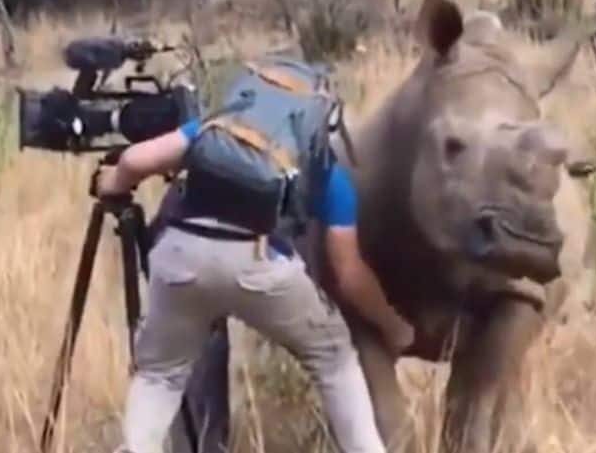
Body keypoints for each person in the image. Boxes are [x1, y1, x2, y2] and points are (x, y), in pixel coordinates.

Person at [95, 111, 413, 453]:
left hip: (181, 255)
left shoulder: (219, 122)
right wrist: (393, 325)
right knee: (333, 359)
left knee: (160, 373)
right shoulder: (323, 165)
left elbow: (136, 159)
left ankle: (142, 446)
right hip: (261, 266)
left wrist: (112, 183)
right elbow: (349, 273)